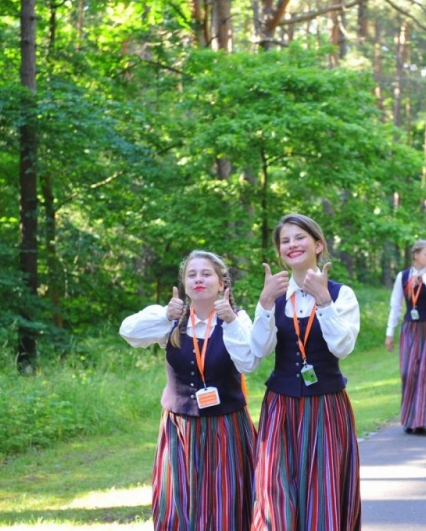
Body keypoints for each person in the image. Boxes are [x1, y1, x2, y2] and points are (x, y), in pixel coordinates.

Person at [119, 250, 258, 530]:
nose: (198, 279)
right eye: (191, 274)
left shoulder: (237, 319)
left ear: (222, 283)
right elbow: (128, 332)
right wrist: (163, 315)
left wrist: (230, 320)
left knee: (226, 503)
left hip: (226, 426)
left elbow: (249, 361)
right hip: (179, 427)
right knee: (179, 504)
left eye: (206, 274)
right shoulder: (171, 319)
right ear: (183, 284)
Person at [250, 213, 361, 530]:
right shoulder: (274, 295)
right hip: (280, 406)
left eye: (299, 237)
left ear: (318, 244)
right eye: (285, 240)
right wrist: (265, 304)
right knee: (274, 491)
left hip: (326, 406)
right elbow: (259, 349)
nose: (292, 245)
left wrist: (324, 300)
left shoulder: (342, 295)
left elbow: (342, 347)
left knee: (320, 492)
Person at [385, 240, 426, 435]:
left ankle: (422, 419)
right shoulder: (402, 276)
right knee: (408, 372)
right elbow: (395, 304)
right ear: (416, 255)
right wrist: (389, 333)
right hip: (410, 328)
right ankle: (410, 418)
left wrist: (423, 276)